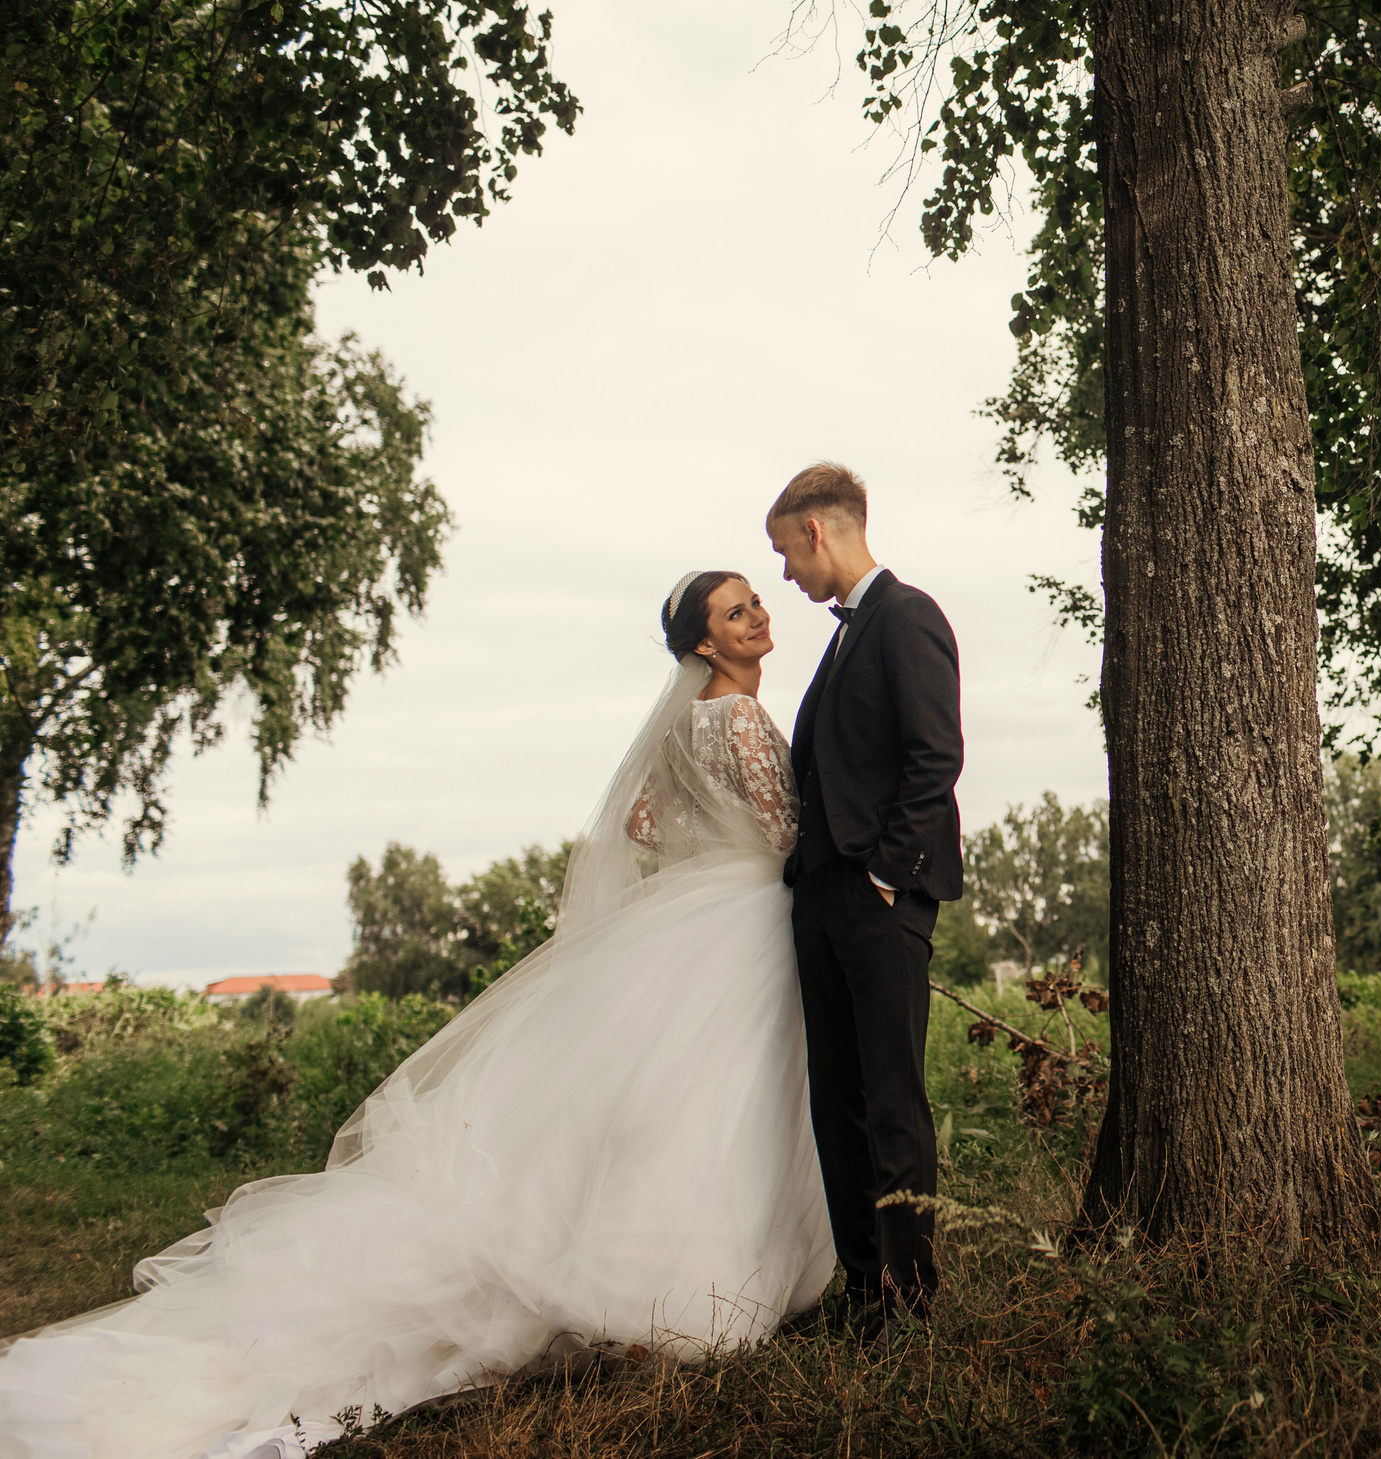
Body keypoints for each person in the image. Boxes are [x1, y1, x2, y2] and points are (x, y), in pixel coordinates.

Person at [0, 574, 833, 1459]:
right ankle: (694, 1291)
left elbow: (638, 821)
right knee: (721, 1100)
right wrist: (760, 856)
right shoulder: (738, 717)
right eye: (737, 612)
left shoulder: (682, 720)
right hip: (744, 918)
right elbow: (784, 835)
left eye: (754, 604)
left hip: (693, 917)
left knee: (675, 1101)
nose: (759, 617)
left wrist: (704, 855)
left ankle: (641, 1283)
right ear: (706, 644)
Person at [765, 463, 963, 1340]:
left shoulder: (907, 615)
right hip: (822, 897)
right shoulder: (843, 635)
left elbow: (936, 757)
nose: (785, 576)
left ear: (817, 531)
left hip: (880, 897)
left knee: (891, 1101)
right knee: (834, 1099)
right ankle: (862, 1290)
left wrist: (887, 874)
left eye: (783, 553)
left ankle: (912, 1303)